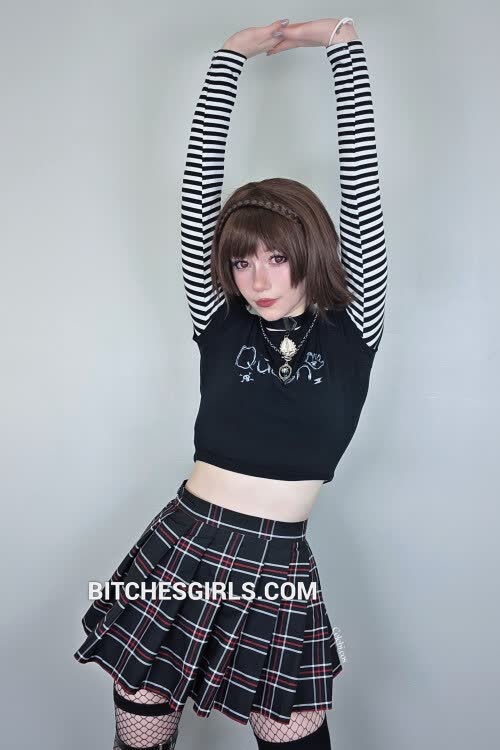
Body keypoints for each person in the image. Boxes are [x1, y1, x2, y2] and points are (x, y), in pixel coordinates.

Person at [73, 15, 387, 750]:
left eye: (276, 257)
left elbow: (363, 184)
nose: (258, 279)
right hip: (184, 545)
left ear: (311, 250)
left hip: (278, 562)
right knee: (141, 731)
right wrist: (229, 57)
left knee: (295, 735)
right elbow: (196, 195)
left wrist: (340, 44)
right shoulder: (220, 323)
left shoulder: (353, 329)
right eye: (242, 262)